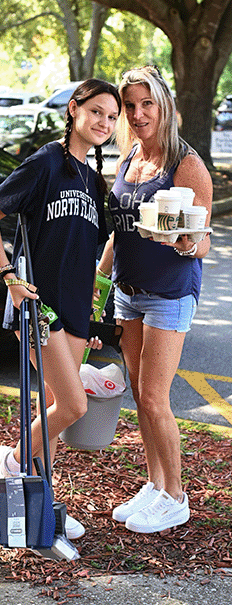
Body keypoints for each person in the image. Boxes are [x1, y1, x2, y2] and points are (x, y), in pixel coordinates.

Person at [0, 78, 120, 541]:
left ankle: (42, 506)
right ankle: (14, 460)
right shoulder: (46, 163)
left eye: (112, 117)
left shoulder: (93, 180)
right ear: (73, 110)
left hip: (76, 312)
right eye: (96, 111)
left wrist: (94, 312)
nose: (104, 122)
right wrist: (9, 278)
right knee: (74, 405)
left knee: (57, 406)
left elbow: (89, 254)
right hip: (38, 306)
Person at [97, 66, 211, 533]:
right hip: (127, 294)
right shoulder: (129, 159)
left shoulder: (186, 164)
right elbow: (119, 234)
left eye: (147, 104)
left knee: (154, 397)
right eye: (131, 106)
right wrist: (97, 280)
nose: (139, 114)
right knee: (140, 400)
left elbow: (202, 241)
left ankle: (176, 496)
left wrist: (180, 242)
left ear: (162, 106)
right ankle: (155, 483)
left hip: (169, 294)